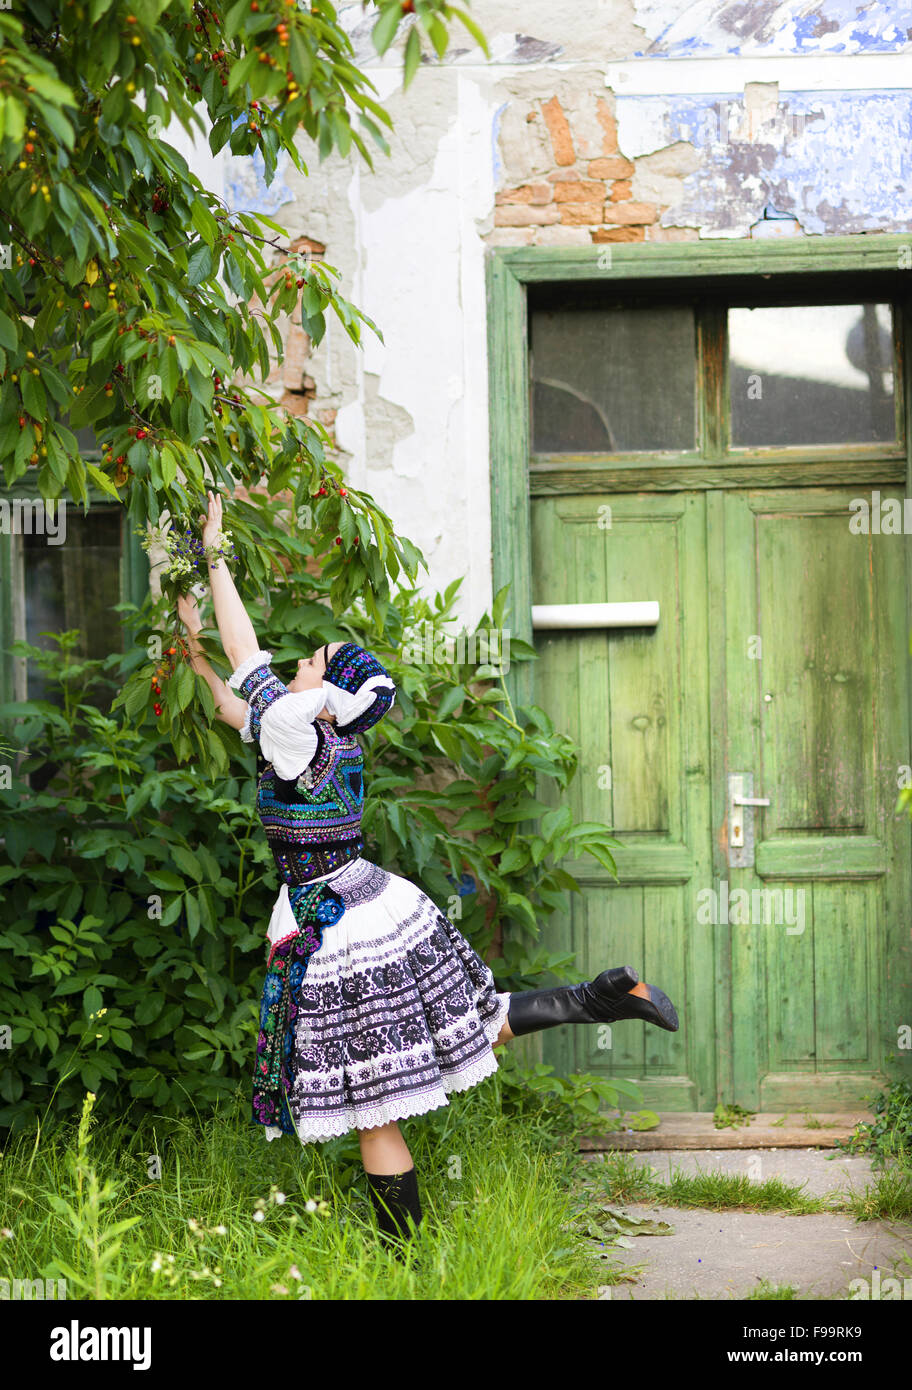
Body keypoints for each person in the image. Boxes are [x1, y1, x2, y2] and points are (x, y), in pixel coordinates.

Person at [177, 491, 680, 1258]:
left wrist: (214, 550)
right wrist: (191, 644)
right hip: (373, 902)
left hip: (332, 927)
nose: (298, 660)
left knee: (376, 1108)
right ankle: (596, 996)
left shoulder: (293, 727)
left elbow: (247, 661)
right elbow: (227, 704)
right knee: (470, 1023)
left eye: (311, 662)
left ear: (323, 689)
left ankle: (403, 1264)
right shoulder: (324, 740)